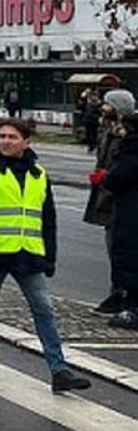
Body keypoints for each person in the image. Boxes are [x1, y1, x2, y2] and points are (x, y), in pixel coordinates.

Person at [0, 116, 91, 391]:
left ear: (26, 142)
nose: (6, 141)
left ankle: (59, 370)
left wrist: (50, 256)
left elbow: (48, 219)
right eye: (2, 136)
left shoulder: (39, 175)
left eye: (12, 137)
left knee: (44, 308)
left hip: (28, 254)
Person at [87, 90, 134, 315]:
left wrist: (108, 176)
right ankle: (118, 292)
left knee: (120, 248)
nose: (103, 108)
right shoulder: (108, 128)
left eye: (107, 104)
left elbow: (125, 164)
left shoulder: (127, 133)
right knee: (113, 244)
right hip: (107, 193)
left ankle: (122, 294)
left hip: (119, 194)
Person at [99, 106, 138, 328]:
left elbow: (116, 179)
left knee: (128, 257)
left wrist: (106, 178)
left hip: (130, 213)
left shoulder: (131, 152)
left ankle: (132, 308)